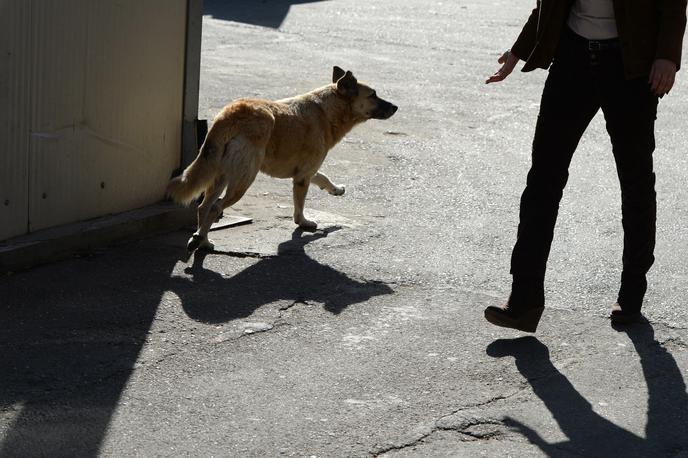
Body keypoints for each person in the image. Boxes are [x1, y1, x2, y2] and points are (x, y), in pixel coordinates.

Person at [484, 0, 687, 332]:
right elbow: (547, 4)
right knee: (542, 180)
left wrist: (667, 54)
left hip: (631, 63)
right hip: (573, 58)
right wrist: (519, 50)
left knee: (634, 179)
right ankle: (524, 298)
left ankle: (632, 289)